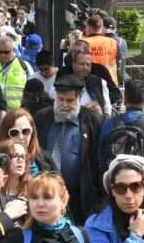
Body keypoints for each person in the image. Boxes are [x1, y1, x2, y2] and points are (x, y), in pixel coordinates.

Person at [35, 74, 103, 223]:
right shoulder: (42, 118)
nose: (64, 105)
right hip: (46, 198)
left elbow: (99, 162)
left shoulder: (92, 121)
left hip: (81, 200)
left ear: (79, 99)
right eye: (61, 99)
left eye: (70, 101)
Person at [85, 156, 144, 243]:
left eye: (135, 186)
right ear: (112, 190)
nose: (128, 195)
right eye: (120, 188)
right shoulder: (96, 226)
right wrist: (136, 235)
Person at [5, 173, 87, 243]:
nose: (40, 204)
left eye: (48, 197)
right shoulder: (17, 238)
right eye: (34, 197)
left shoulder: (80, 234)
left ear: (63, 201)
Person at [0, 109, 57, 175]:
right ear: (5, 134)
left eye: (25, 131)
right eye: (14, 132)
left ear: (32, 133)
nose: (21, 137)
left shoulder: (46, 159)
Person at [0, 36, 33, 111]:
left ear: (13, 50)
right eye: (0, 52)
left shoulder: (24, 66)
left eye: (6, 52)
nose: (3, 55)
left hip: (17, 113)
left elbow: (32, 89)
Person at [82, 14, 121, 86]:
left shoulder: (82, 42)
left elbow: (68, 60)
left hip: (90, 84)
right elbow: (118, 58)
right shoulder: (113, 42)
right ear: (101, 27)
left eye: (86, 27)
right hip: (110, 83)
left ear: (89, 27)